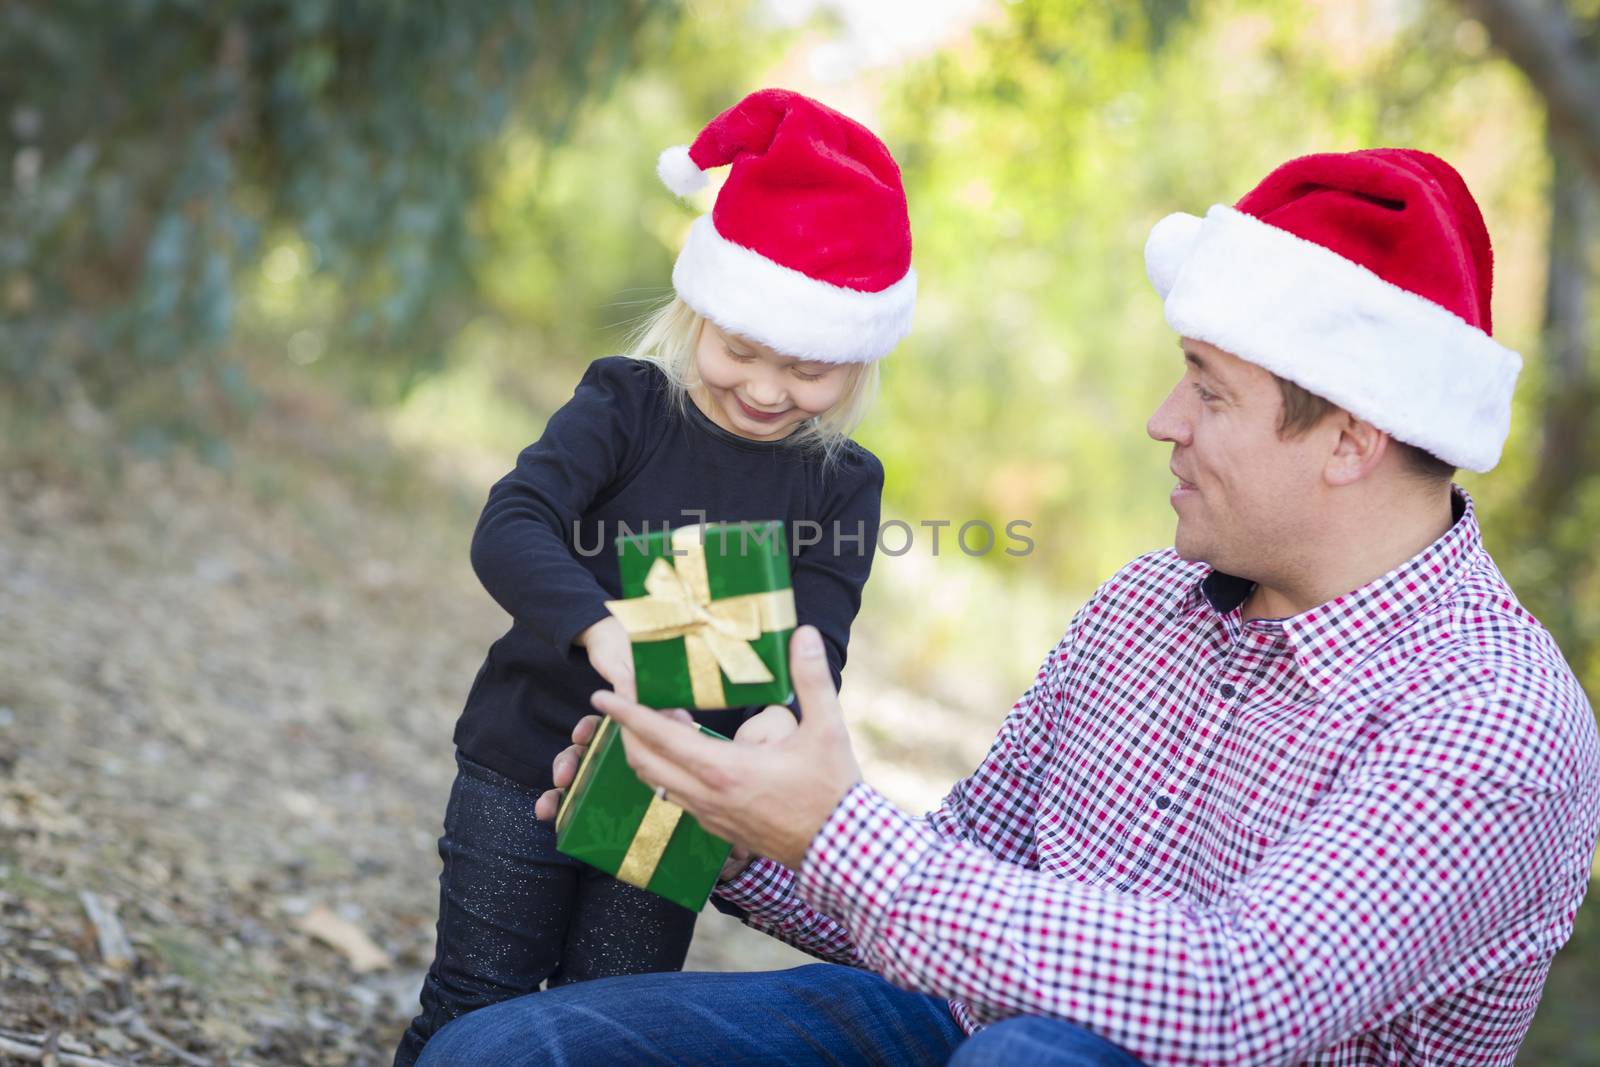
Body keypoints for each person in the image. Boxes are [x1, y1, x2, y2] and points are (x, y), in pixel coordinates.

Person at [416, 150, 1600, 1067]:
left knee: (1032, 1051)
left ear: (1349, 437)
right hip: (967, 1026)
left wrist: (833, 833)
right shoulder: (1146, 608)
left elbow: (1240, 992)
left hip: (1074, 1046)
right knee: (514, 1047)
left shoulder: (1493, 718)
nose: (1162, 421)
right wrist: (733, 812)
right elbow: (958, 878)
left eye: (1207, 390)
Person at [393, 88, 919, 1066]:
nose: (766, 388)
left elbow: (817, 638)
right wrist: (603, 631)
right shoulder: (626, 405)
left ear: (857, 355)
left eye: (807, 369)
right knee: (475, 1004)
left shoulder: (842, 482)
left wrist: (777, 722)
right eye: (740, 349)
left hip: (677, 792)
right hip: (525, 758)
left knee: (607, 1027)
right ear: (697, 311)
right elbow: (512, 522)